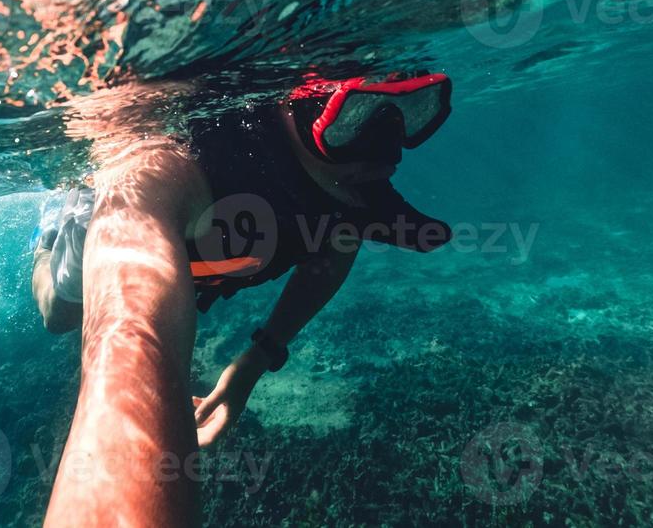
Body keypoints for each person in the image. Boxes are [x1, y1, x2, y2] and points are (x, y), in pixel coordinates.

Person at [33, 72, 454, 527]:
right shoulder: (172, 163)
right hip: (108, 214)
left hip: (207, 267)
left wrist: (258, 358)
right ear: (292, 107)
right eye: (352, 118)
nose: (385, 152)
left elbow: (337, 241)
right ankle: (48, 234)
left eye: (410, 113)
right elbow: (132, 332)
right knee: (61, 312)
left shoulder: (352, 182)